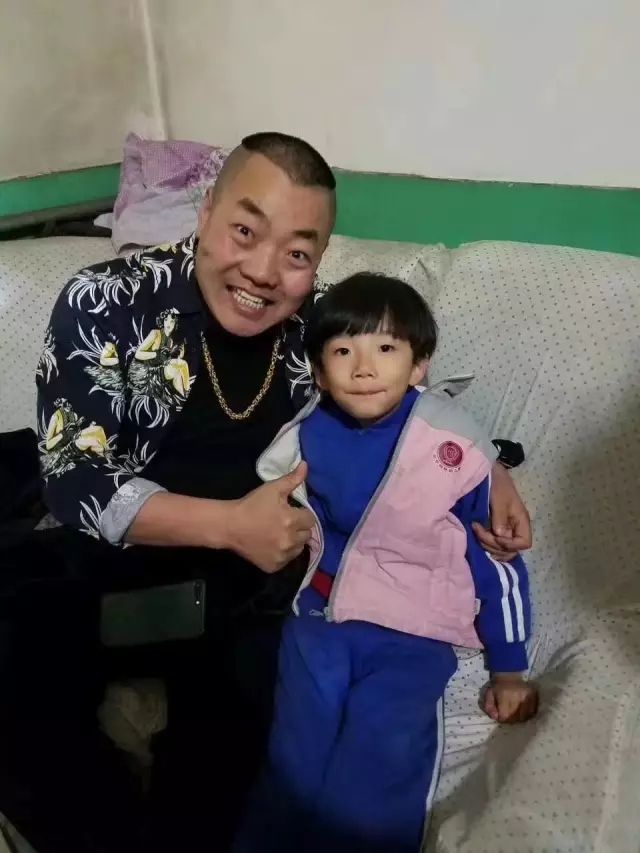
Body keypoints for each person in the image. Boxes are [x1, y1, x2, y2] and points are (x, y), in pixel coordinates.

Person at [32, 133, 532, 848]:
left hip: (250, 592)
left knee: (241, 761)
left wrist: (495, 471)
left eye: (297, 254)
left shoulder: (319, 327)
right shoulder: (109, 300)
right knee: (29, 671)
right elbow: (72, 477)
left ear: (317, 262)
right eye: (245, 231)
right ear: (207, 212)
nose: (264, 272)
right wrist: (228, 524)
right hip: (115, 569)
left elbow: (412, 399)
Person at [234, 273, 538, 853]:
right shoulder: (308, 433)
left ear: (418, 365)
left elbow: (497, 559)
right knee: (292, 760)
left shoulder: (450, 450)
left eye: (386, 348)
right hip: (321, 621)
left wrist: (509, 669)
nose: (364, 368)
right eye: (343, 351)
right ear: (319, 372)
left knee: (377, 758)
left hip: (413, 634)